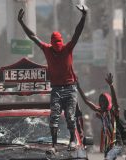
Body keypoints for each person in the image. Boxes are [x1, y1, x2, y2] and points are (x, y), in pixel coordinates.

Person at [18, 5, 87, 152]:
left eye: (59, 44)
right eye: (55, 45)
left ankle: (72, 140)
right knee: (54, 116)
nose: (57, 47)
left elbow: (77, 32)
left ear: (61, 42)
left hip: (70, 88)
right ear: (52, 43)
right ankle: (54, 145)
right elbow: (32, 36)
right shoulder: (47, 49)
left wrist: (84, 17)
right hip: (56, 88)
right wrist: (21, 22)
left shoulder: (68, 48)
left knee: (70, 115)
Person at [77, 73, 124, 160]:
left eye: (104, 101)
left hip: (116, 144)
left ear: (108, 102)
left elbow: (115, 101)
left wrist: (111, 86)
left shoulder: (113, 111)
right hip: (108, 145)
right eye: (101, 101)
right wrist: (78, 87)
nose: (102, 103)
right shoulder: (101, 112)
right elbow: (87, 102)